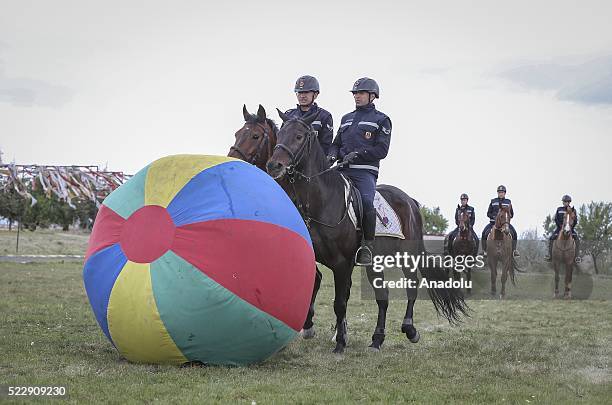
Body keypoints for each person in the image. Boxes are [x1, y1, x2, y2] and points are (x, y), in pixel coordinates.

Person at [327, 77, 391, 266]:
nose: (357, 96)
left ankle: (367, 247)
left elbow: (382, 150)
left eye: (361, 93)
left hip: (365, 172)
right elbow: (336, 144)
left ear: (372, 96)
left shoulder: (382, 120)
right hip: (342, 170)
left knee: (365, 202)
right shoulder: (346, 119)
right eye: (355, 93)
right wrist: (331, 156)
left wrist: (358, 154)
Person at [284, 75, 333, 156]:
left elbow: (325, 146)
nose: (302, 96)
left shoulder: (324, 116)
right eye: (299, 92)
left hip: (313, 164)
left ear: (316, 94)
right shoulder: (288, 115)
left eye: (306, 92)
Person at [481, 185, 519, 257]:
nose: (501, 194)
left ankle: (514, 251)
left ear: (505, 193)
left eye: (502, 192)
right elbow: (488, 213)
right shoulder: (493, 201)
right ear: (497, 193)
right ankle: (484, 251)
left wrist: (506, 219)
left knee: (514, 233)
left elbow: (511, 214)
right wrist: (494, 217)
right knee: (484, 233)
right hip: (493, 223)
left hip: (505, 224)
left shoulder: (508, 202)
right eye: (499, 192)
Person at [544, 195, 581, 263]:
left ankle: (577, 257)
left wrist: (570, 227)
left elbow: (575, 221)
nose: (565, 203)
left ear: (569, 202)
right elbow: (556, 219)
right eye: (564, 201)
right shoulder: (559, 209)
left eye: (566, 201)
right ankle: (550, 255)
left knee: (577, 239)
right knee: (551, 238)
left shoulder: (573, 210)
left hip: (570, 228)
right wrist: (561, 226)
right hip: (559, 228)